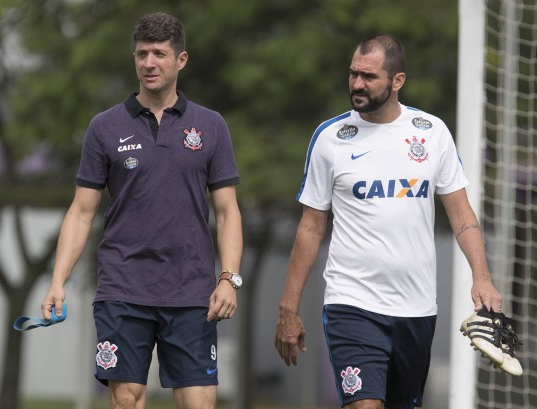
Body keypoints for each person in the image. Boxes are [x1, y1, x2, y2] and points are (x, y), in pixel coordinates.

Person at [274, 34, 502, 408]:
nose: (357, 84)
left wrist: (482, 277)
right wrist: (288, 306)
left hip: (417, 308)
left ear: (397, 81)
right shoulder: (330, 138)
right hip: (352, 302)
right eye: (353, 74)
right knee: (365, 404)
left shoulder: (432, 132)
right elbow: (311, 226)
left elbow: (462, 217)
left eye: (369, 77)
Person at [41, 12, 243, 409]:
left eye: (160, 54)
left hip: (191, 291)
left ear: (180, 60)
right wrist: (57, 280)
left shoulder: (211, 126)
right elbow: (81, 212)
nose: (149, 63)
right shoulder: (104, 127)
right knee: (127, 400)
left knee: (200, 403)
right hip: (124, 287)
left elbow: (228, 212)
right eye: (142, 54)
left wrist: (228, 279)